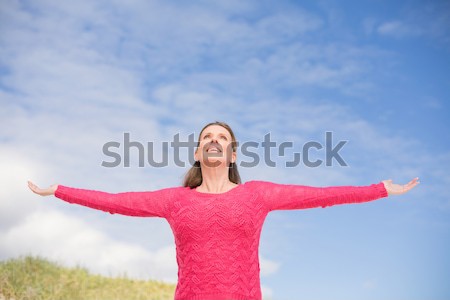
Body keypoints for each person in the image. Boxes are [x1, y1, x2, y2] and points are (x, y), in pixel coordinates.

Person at [28, 121, 419, 300]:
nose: (214, 142)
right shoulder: (175, 200)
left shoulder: (257, 194)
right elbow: (115, 202)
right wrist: (59, 190)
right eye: (207, 138)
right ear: (198, 152)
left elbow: (320, 194)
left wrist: (379, 189)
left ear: (232, 153)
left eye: (222, 138)